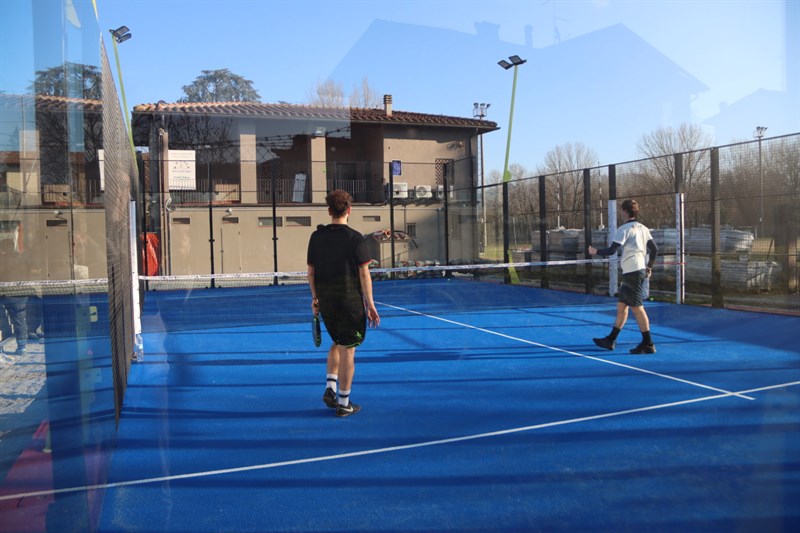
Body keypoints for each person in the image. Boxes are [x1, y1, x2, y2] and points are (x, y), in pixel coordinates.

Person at [307, 190, 380, 417]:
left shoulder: (316, 237)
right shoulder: (356, 239)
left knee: (338, 342)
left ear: (329, 211)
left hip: (327, 302)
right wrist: (371, 305)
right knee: (349, 350)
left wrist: (315, 298)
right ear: (349, 210)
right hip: (349, 304)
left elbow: (311, 273)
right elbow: (364, 275)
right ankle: (344, 403)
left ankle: (330, 386)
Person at [588, 199, 658, 354]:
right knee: (622, 306)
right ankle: (610, 340)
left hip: (633, 272)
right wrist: (648, 267)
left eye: (621, 210)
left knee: (638, 308)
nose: (620, 213)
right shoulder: (643, 228)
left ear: (626, 211)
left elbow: (612, 250)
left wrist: (595, 252)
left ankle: (648, 343)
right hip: (635, 271)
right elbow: (654, 249)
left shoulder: (625, 229)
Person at [0, 238, 30, 359]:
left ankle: (3, 344)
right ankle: (22, 346)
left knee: (2, 321)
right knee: (20, 319)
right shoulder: (21, 259)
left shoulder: (2, 260)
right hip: (20, 294)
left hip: (3, 293)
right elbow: (28, 274)